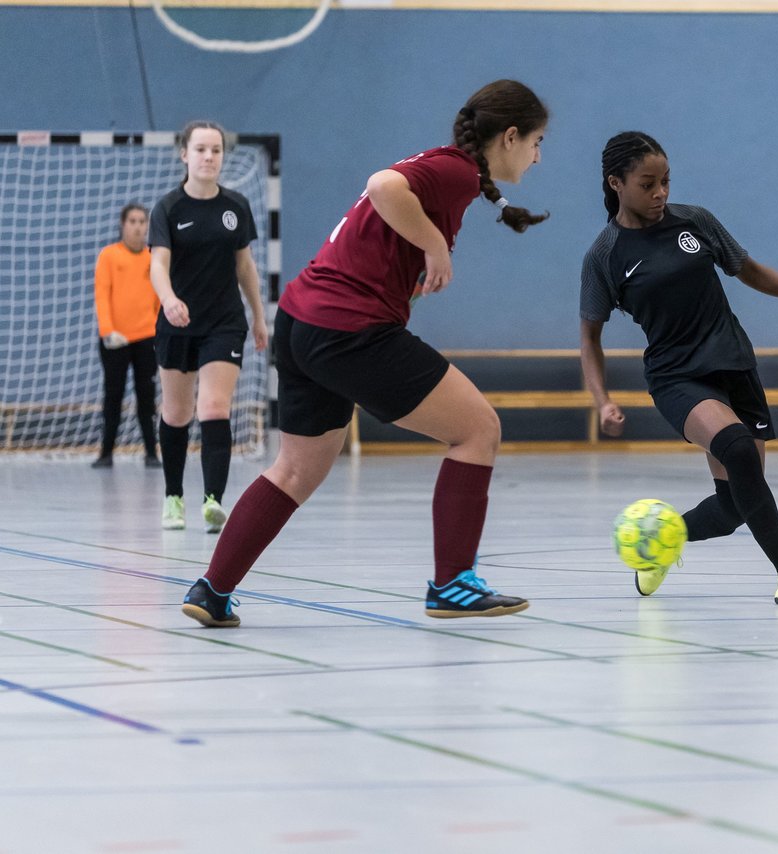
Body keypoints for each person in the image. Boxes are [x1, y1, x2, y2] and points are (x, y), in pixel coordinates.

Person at [180, 80, 549, 628]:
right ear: (511, 136)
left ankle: (212, 590)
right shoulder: (457, 171)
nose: (540, 155)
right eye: (538, 142)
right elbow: (382, 186)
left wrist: (410, 267)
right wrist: (434, 245)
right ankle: (453, 584)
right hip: (349, 330)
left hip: (302, 323)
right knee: (478, 430)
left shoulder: (452, 173)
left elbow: (382, 222)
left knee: (295, 471)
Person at [581, 131, 778, 606]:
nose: (661, 192)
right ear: (615, 184)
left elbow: (747, 269)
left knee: (733, 508)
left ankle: (662, 543)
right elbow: (589, 338)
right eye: (648, 184)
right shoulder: (604, 255)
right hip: (677, 377)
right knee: (739, 451)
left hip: (734, 364)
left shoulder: (696, 221)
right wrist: (602, 400)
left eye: (665, 181)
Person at [149, 121, 268, 533]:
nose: (208, 157)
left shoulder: (235, 206)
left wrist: (258, 315)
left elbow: (244, 266)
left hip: (224, 322)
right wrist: (169, 301)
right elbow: (158, 264)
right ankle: (173, 497)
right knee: (177, 413)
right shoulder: (168, 208)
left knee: (214, 408)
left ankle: (214, 501)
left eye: (215, 150)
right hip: (177, 323)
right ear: (185, 154)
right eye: (200, 149)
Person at [92, 204, 161, 468]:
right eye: (132, 221)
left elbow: (158, 300)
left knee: (146, 396)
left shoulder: (153, 258)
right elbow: (102, 295)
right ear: (123, 224)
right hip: (115, 340)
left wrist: (157, 331)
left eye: (142, 221)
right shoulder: (109, 256)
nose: (138, 226)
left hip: (146, 338)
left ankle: (151, 453)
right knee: (113, 394)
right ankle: (106, 453)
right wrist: (108, 331)